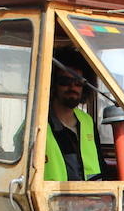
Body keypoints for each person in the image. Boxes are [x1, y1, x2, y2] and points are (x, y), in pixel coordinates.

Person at [43, 51, 100, 181]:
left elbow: (100, 163)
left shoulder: (87, 121)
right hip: (50, 198)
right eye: (65, 81)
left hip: (90, 197)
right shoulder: (37, 120)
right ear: (52, 84)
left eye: (78, 82)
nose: (72, 87)